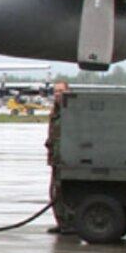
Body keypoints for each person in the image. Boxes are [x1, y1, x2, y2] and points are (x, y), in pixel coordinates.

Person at [46, 81, 73, 234]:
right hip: (56, 159)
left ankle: (70, 224)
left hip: (67, 159)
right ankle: (62, 222)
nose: (57, 94)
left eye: (61, 91)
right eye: (55, 91)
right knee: (55, 192)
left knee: (65, 192)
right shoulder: (55, 111)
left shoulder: (71, 110)